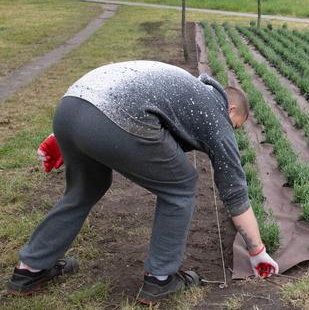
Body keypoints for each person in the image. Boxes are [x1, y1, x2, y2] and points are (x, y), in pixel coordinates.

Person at [5, 61, 278, 304]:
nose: (232, 132)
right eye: (236, 125)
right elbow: (234, 190)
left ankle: (30, 270)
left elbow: (116, 91)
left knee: (85, 188)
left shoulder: (184, 85)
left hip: (72, 107)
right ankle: (161, 279)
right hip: (105, 114)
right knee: (181, 185)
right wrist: (257, 250)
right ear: (230, 107)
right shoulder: (215, 113)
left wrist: (68, 134)